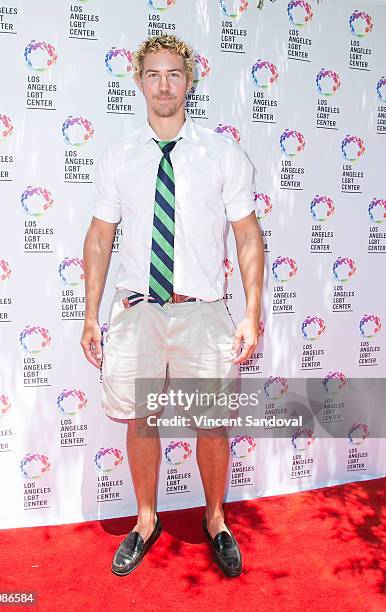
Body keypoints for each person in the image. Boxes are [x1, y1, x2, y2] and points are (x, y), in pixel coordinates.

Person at [81, 34, 264, 577]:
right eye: (154, 74)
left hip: (202, 312)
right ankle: (144, 520)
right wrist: (90, 313)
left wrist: (252, 311)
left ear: (190, 82)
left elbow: (248, 237)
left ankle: (214, 519)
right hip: (137, 311)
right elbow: (98, 239)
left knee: (210, 422)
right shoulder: (118, 157)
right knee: (142, 418)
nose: (164, 84)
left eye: (174, 74)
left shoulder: (222, 153)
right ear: (138, 82)